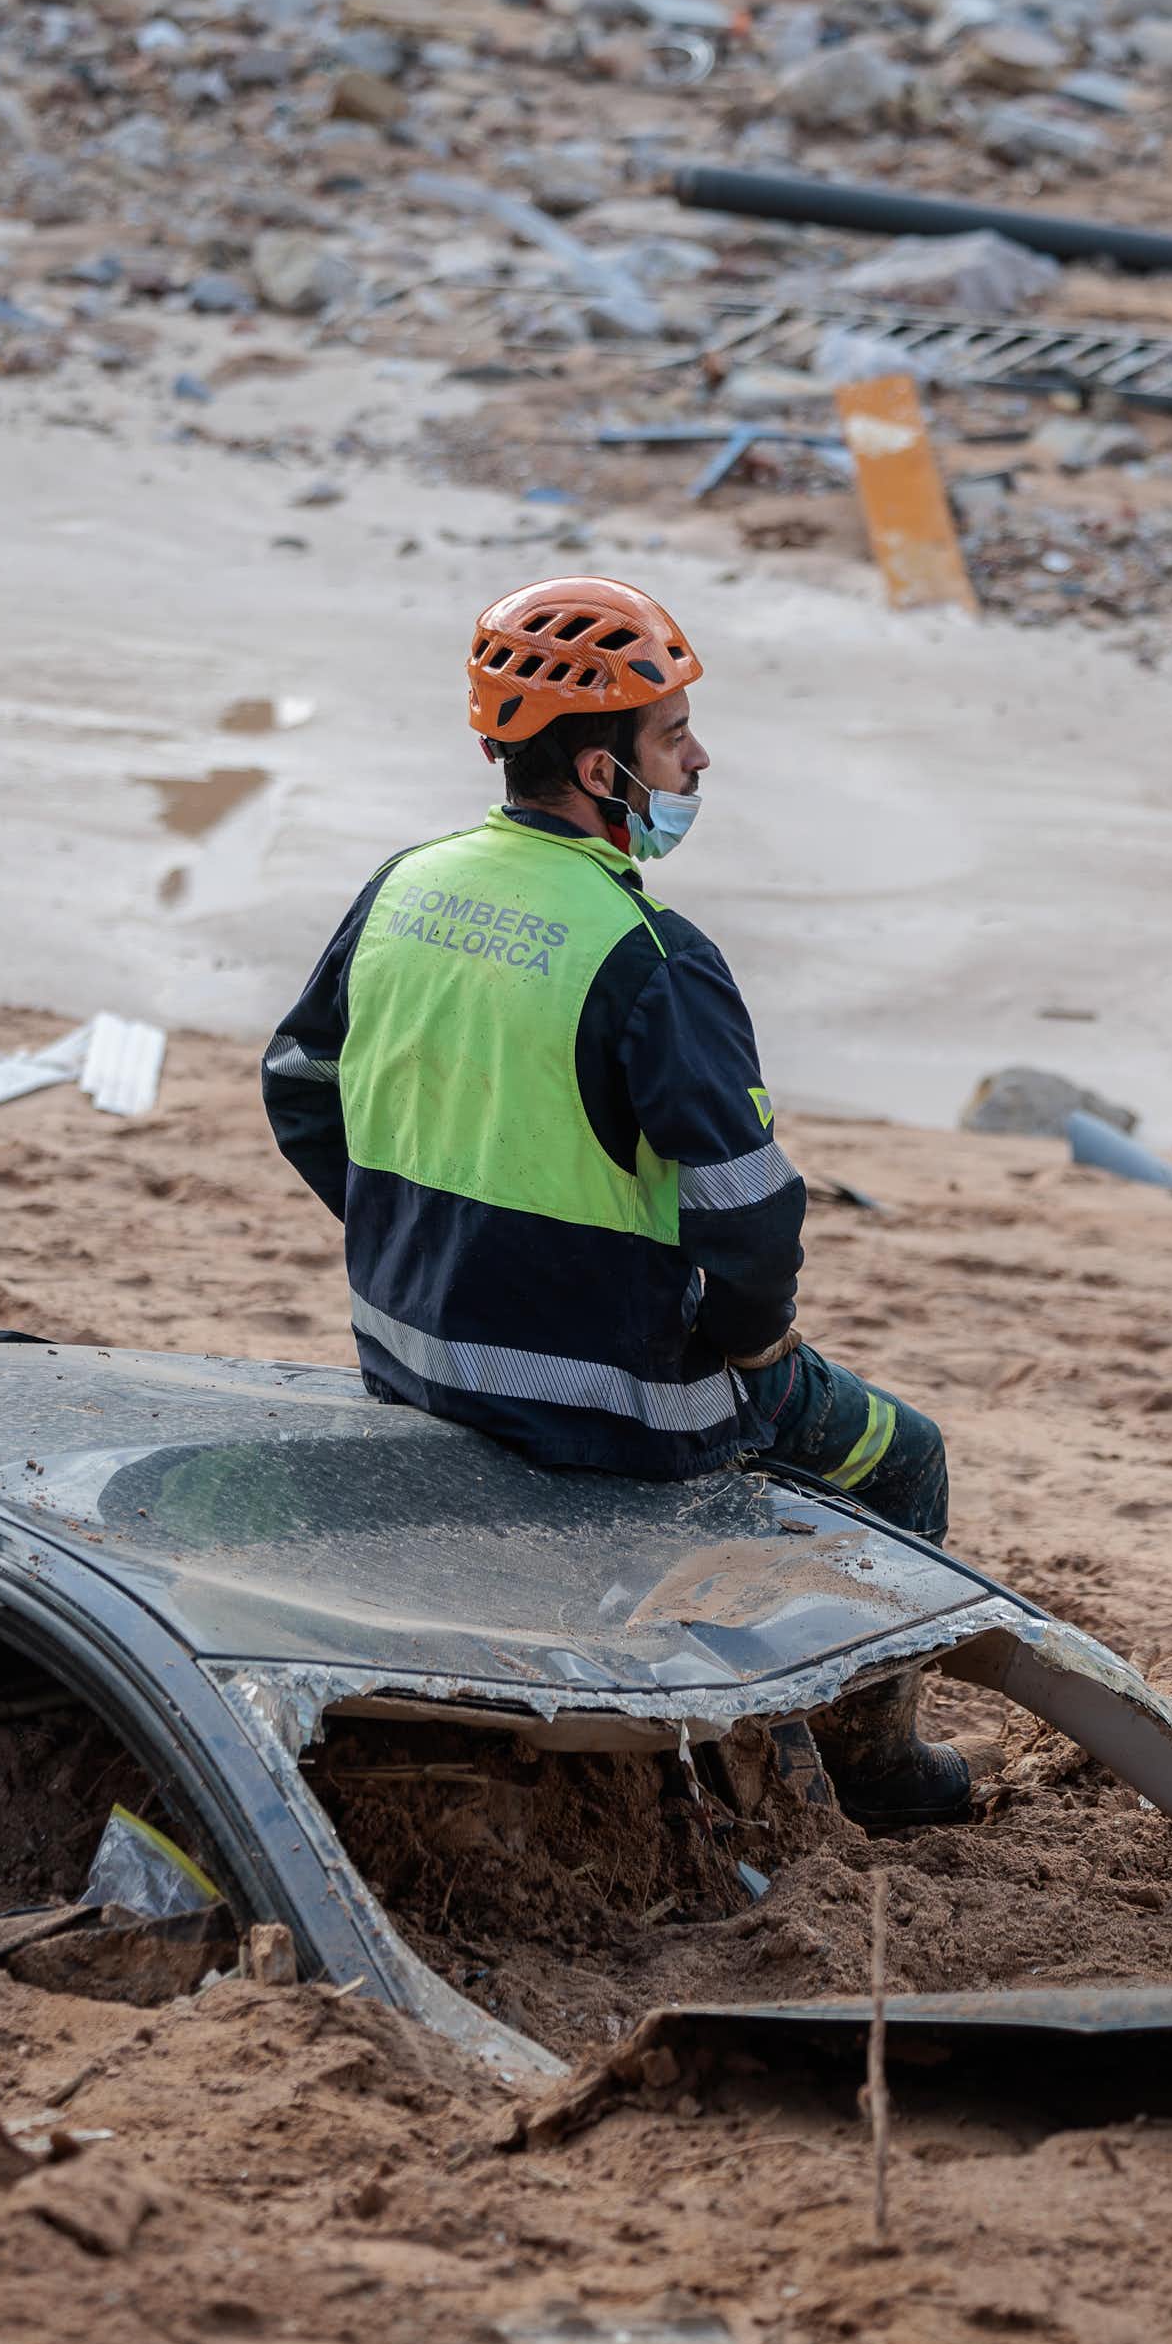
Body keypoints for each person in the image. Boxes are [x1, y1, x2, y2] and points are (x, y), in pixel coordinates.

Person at [260, 575, 967, 1824]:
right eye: (672, 735)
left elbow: (299, 1086)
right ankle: (878, 1776)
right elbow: (748, 1220)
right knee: (902, 1459)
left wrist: (415, 1237)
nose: (699, 756)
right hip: (613, 1400)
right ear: (601, 772)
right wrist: (748, 1339)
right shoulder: (650, 955)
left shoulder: (405, 887)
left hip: (409, 1353)